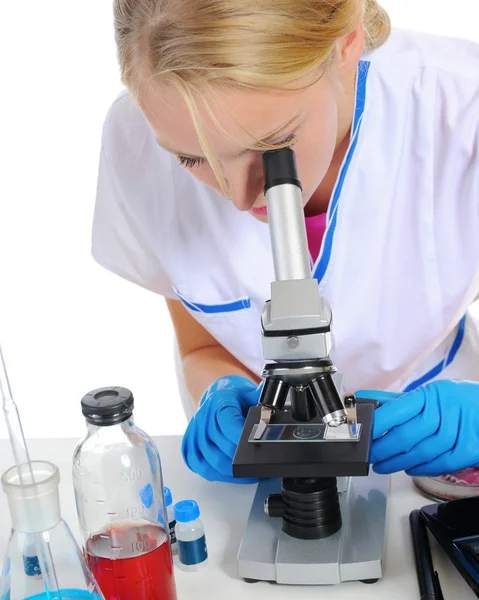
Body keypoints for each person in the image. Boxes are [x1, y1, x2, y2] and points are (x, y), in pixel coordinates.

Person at [92, 0, 479, 484]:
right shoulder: (137, 141)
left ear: (346, 43)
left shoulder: (462, 110)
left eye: (274, 143)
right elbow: (202, 344)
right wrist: (217, 393)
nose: (239, 196)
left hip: (445, 464)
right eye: (191, 160)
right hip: (281, 462)